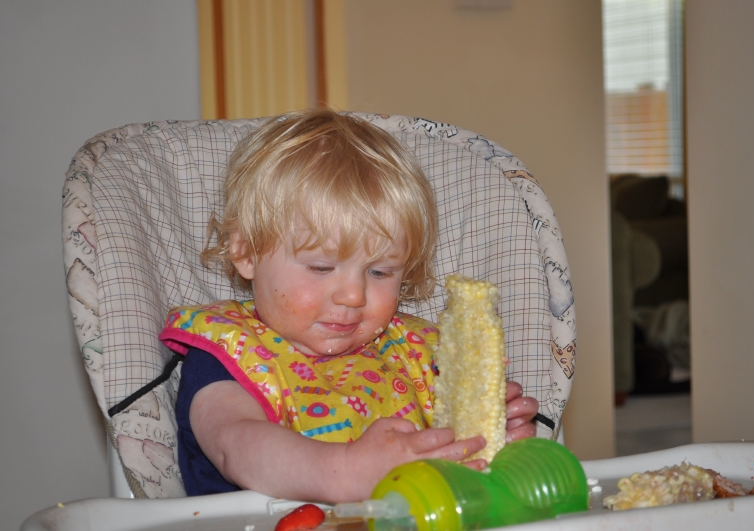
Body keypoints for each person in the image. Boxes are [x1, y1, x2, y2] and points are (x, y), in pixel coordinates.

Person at [160, 109, 539, 503]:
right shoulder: (226, 353)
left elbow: (453, 465)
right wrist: (346, 472)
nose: (354, 296)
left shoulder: (418, 355)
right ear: (246, 252)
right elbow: (236, 446)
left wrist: (485, 442)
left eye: (380, 272)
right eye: (322, 267)